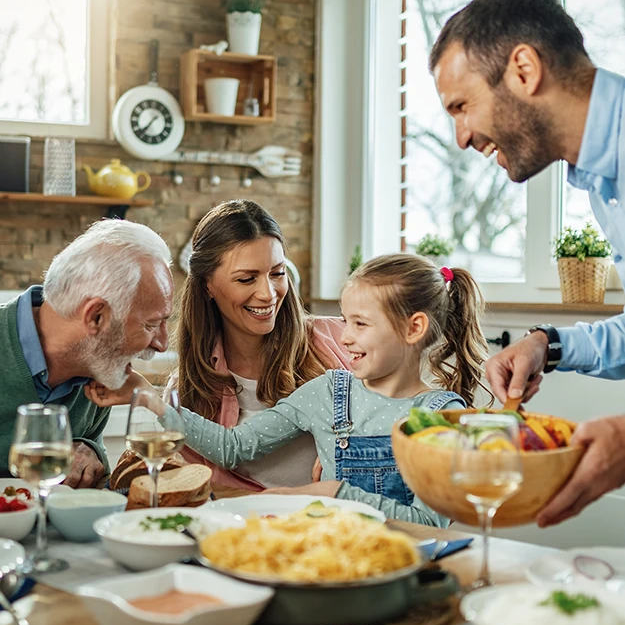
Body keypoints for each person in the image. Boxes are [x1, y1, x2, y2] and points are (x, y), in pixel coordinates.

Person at [87, 253, 488, 524]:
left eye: (361, 325)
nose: (345, 338)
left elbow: (430, 522)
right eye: (345, 322)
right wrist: (151, 399)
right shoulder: (330, 391)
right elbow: (234, 447)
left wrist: (336, 493)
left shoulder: (440, 415)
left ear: (413, 328)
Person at [429, 0, 625, 526]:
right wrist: (549, 344)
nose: (461, 137)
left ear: (523, 70)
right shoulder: (600, 178)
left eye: (462, 106)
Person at [171, 199, 351, 492]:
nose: (268, 293)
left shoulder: (341, 340)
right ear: (207, 286)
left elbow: (400, 415)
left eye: (277, 273)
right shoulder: (188, 392)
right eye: (246, 279)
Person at [0, 219, 173, 487]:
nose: (162, 344)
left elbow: (90, 466)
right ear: (95, 317)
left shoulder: (97, 368)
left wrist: (90, 451)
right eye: (151, 324)